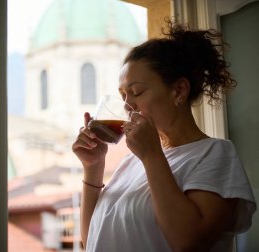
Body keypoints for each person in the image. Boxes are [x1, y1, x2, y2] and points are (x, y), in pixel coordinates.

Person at [72, 20, 257, 252]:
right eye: (123, 96)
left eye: (136, 92)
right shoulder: (132, 163)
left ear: (179, 91)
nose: (127, 106)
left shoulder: (214, 154)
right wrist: (93, 166)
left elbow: (189, 242)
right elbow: (93, 240)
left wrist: (151, 156)